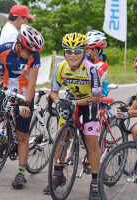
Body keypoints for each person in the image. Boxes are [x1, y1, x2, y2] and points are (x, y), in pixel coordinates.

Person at [0, 24, 44, 189]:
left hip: (24, 95)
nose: (32, 55)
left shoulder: (34, 57)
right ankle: (6, 139)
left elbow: (32, 84)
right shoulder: (5, 49)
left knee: (22, 135)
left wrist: (27, 104)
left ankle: (21, 173)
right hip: (7, 92)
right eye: (30, 51)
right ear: (20, 45)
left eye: (34, 52)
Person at [43, 33, 102, 200]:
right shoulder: (60, 67)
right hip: (70, 104)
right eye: (68, 51)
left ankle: (95, 183)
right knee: (61, 138)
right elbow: (54, 93)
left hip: (89, 106)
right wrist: (57, 102)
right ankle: (58, 175)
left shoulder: (91, 69)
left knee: (91, 142)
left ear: (84, 51)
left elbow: (97, 98)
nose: (73, 55)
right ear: (63, 51)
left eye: (77, 51)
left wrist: (75, 103)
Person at [0, 5, 35, 97]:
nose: (26, 21)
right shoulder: (14, 34)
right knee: (12, 108)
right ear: (19, 19)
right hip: (7, 76)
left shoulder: (2, 29)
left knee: (1, 107)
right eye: (26, 18)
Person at [85, 30, 108, 96]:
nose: (86, 52)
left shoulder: (103, 65)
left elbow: (93, 78)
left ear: (96, 51)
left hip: (100, 95)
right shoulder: (88, 62)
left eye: (88, 50)